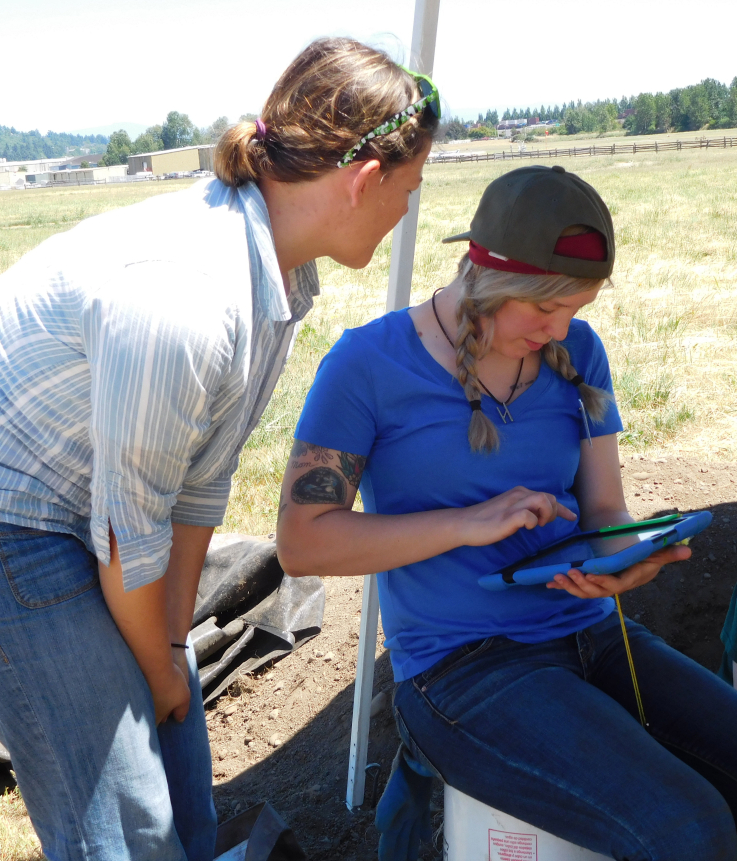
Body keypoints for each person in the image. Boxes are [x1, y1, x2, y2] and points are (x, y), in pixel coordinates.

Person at [0, 38, 440, 861]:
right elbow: (127, 537)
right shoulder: (188, 300)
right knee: (127, 816)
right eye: (409, 189)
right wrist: (161, 667)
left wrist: (171, 651)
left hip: (77, 512)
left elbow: (199, 489)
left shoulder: (275, 275)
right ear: (363, 180)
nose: (407, 211)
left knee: (177, 742)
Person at [277, 165, 737, 861]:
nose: (561, 328)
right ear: (484, 277)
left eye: (575, 309)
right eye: (542, 309)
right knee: (688, 829)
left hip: (593, 633)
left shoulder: (579, 353)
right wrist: (466, 523)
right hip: (462, 669)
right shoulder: (365, 365)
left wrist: (624, 560)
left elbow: (605, 507)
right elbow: (301, 543)